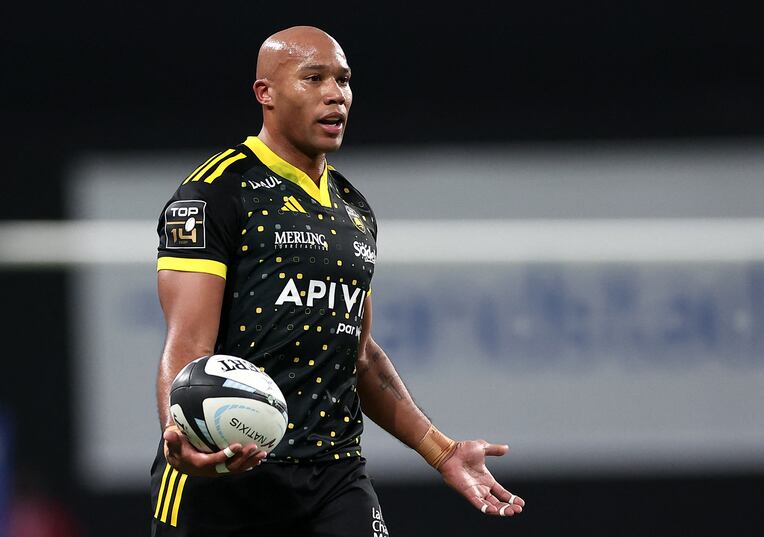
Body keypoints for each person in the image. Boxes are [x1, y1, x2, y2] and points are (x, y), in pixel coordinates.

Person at [150, 25, 524, 536]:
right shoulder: (215, 193)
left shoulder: (355, 210)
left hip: (334, 475)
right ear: (266, 94)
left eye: (344, 80)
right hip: (225, 472)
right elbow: (186, 342)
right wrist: (180, 433)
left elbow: (361, 355)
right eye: (313, 78)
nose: (336, 94)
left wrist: (443, 452)